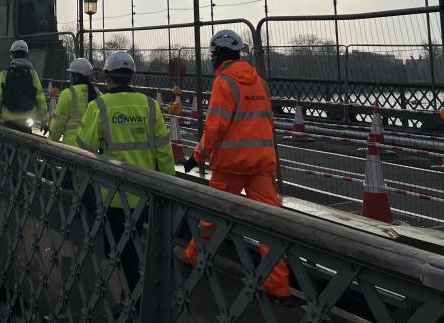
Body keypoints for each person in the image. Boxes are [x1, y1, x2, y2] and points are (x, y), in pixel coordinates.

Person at [175, 29, 291, 302]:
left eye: (212, 55)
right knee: (269, 224)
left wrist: (196, 158)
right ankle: (278, 286)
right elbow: (266, 123)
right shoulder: (259, 83)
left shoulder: (224, 82)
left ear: (218, 55)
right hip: (260, 164)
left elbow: (215, 127)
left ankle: (194, 256)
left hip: (231, 165)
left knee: (211, 217)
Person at [76, 50, 175, 290]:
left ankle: (133, 298)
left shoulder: (99, 105)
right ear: (131, 75)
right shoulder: (151, 105)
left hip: (113, 192)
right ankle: (138, 293)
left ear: (108, 76)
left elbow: (84, 149)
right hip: (146, 191)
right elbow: (163, 151)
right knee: (137, 241)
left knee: (121, 247)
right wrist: (170, 188)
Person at [0, 40, 47, 133]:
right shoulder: (33, 74)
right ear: (26, 55)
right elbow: (40, 98)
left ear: (12, 55)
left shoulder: (4, 74)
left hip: (8, 121)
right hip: (27, 121)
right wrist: (45, 120)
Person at [48, 57, 97, 146]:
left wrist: (50, 143)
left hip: (72, 147)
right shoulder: (98, 94)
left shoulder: (68, 93)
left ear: (76, 77)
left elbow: (58, 124)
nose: (69, 77)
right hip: (92, 147)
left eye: (70, 74)